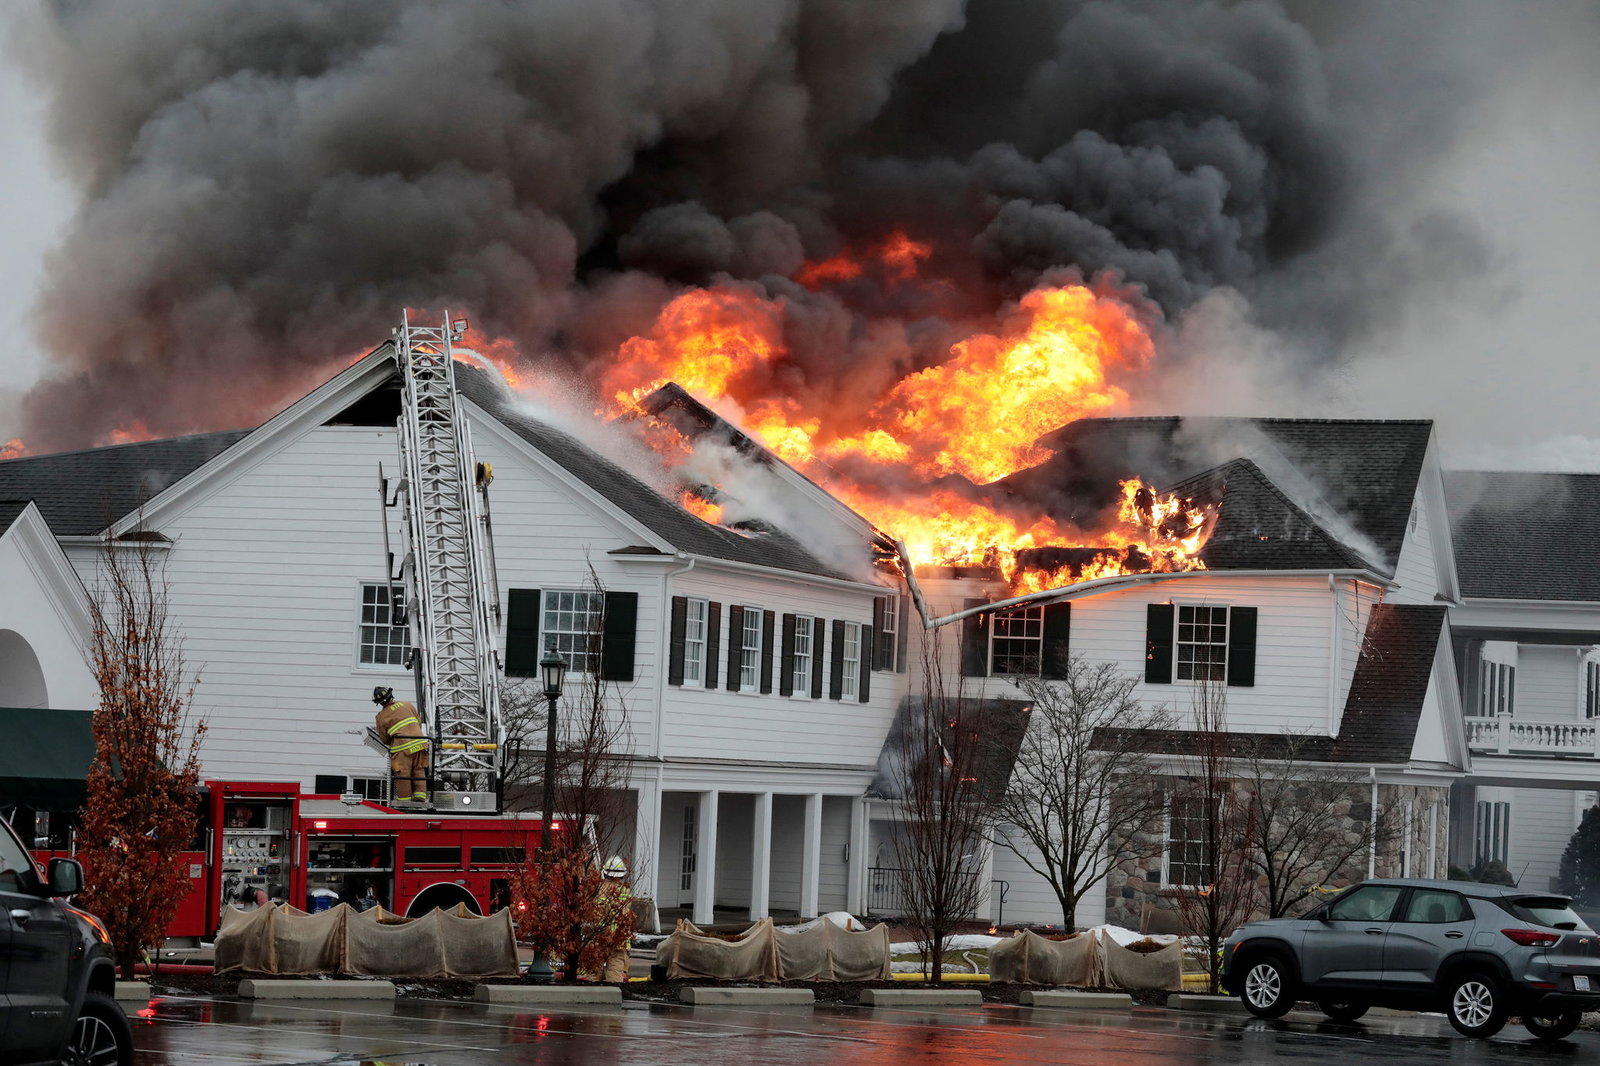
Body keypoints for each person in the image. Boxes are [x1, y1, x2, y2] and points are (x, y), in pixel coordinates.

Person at [372, 686, 429, 803]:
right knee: (419, 770)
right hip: (421, 743)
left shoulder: (380, 716)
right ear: (390, 695)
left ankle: (404, 801)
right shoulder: (407, 705)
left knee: (403, 773)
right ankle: (420, 796)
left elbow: (384, 738)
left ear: (378, 702)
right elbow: (418, 722)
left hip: (402, 748)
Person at [598, 855, 632, 983]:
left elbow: (597, 913)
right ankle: (614, 995)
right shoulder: (626, 891)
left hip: (599, 937)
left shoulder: (599, 890)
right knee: (615, 973)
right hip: (619, 939)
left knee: (594, 972)